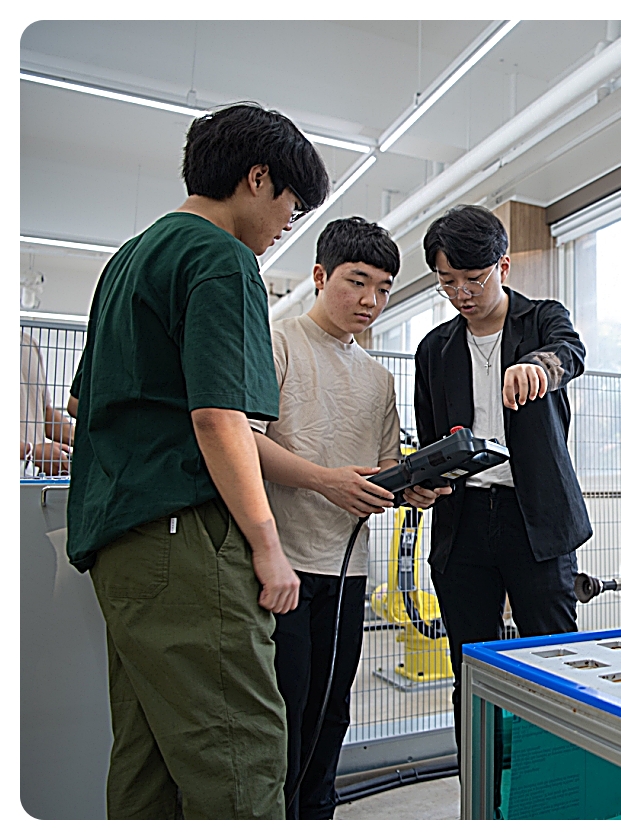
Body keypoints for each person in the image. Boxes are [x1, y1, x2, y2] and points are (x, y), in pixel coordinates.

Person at [66, 104, 330, 819]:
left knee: (147, 761)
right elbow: (219, 417)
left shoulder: (130, 259)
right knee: (240, 754)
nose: (287, 224)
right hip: (184, 541)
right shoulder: (220, 257)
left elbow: (84, 401)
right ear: (258, 177)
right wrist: (268, 545)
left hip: (120, 546)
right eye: (291, 205)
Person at [404, 205, 592, 749]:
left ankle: (556, 781)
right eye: (447, 282)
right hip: (462, 524)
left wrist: (539, 367)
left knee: (553, 661)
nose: (461, 293)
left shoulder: (541, 319)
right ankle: (481, 785)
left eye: (473, 279)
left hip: (536, 521)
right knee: (471, 669)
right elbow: (432, 439)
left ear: (503, 266)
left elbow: (570, 353)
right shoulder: (434, 349)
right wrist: (422, 483)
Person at [250, 217, 402, 819]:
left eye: (383, 288)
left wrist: (414, 485)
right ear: (319, 275)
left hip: (348, 568)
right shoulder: (278, 342)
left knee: (331, 711)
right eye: (356, 282)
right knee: (282, 713)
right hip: (281, 563)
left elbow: (386, 467)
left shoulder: (380, 378)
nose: (370, 301)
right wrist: (324, 480)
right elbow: (245, 441)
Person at [19, 329, 75, 476]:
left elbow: (44, 413)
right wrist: (31, 451)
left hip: (29, 476)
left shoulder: (28, 343)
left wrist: (85, 438)